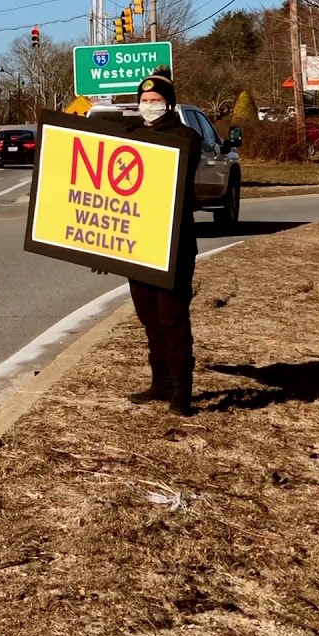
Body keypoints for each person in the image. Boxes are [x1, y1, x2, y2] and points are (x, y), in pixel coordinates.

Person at [93, 66, 202, 415]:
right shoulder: (131, 134)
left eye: (156, 100)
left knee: (173, 319)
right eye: (144, 100)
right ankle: (161, 382)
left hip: (172, 246)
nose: (149, 105)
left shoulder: (185, 137)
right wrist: (102, 248)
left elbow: (172, 167)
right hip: (136, 245)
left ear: (168, 105)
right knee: (149, 320)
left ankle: (182, 394)